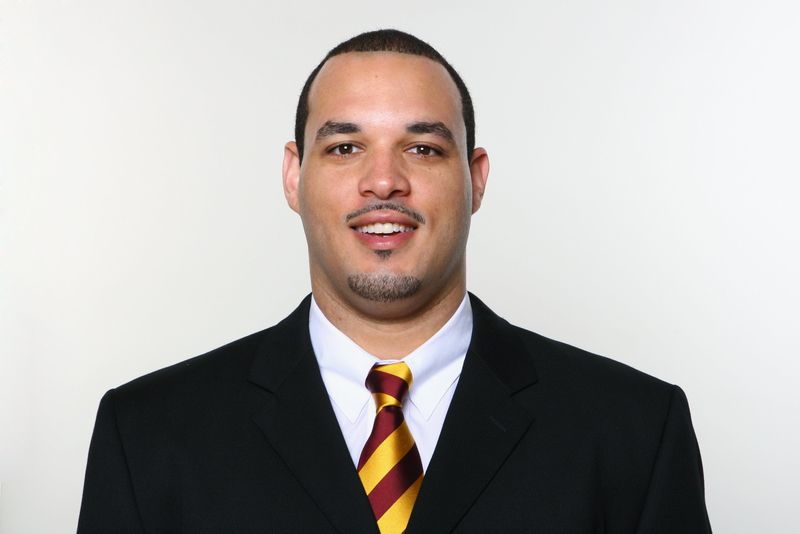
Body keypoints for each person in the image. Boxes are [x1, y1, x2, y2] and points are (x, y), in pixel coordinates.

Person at [78, 29, 712, 533]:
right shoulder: (148, 435)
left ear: (476, 179)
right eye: (345, 147)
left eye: (423, 149)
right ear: (294, 177)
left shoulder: (634, 430)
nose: (383, 181)